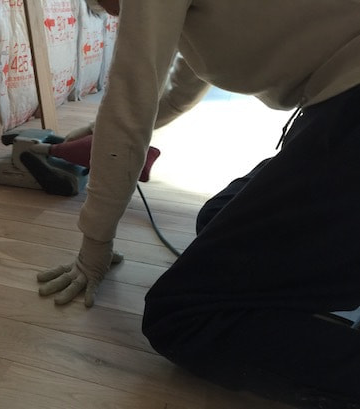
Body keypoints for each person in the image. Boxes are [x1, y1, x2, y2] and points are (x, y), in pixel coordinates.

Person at [37, 0, 360, 406]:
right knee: (216, 216)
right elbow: (174, 94)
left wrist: (94, 247)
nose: (110, 13)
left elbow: (129, 104)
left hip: (349, 115)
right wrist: (96, 131)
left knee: (180, 316)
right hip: (335, 109)